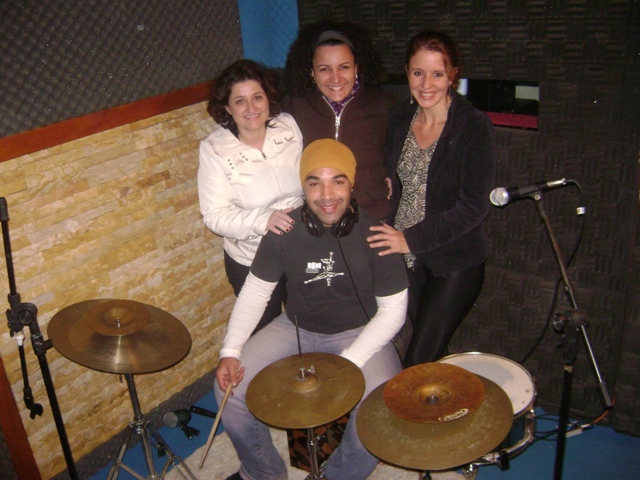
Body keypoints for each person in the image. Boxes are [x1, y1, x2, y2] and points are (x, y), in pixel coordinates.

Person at [215, 139, 409, 480]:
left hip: (360, 334)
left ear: (351, 184)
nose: (327, 194)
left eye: (338, 181)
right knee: (227, 388)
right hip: (295, 328)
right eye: (314, 183)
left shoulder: (378, 234)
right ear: (303, 187)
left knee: (378, 406)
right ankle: (263, 472)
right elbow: (256, 292)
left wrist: (350, 361)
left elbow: (393, 312)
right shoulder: (284, 230)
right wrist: (230, 351)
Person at [367, 31, 497, 367]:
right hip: (405, 259)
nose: (426, 84)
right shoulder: (400, 117)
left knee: (416, 362)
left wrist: (409, 240)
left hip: (452, 261)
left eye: (437, 74)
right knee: (431, 352)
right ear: (407, 73)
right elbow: (395, 174)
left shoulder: (472, 126)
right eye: (418, 73)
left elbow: (474, 206)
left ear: (453, 74)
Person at [198, 59, 304, 334]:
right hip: (252, 261)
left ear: (268, 98)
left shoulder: (289, 127)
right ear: (227, 108)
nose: (251, 108)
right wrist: (263, 219)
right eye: (240, 101)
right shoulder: (214, 149)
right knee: (265, 335)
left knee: (306, 325)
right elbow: (214, 216)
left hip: (299, 250)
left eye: (257, 97)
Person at [284, 22, 397, 220]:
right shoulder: (295, 109)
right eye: (324, 69)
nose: (335, 79)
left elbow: (402, 154)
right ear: (312, 72)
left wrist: (394, 178)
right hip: (317, 219)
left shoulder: (384, 105)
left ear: (356, 68)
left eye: (344, 67)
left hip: (373, 217)